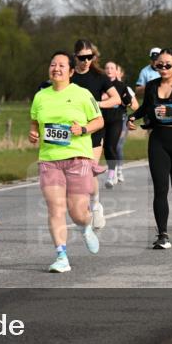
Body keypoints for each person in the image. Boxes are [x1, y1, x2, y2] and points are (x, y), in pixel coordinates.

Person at [29, 51, 104, 273]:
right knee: (56, 208)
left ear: (71, 71)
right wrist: (33, 133)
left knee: (77, 212)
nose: (56, 68)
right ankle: (61, 256)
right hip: (49, 160)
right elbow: (34, 122)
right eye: (53, 64)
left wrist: (82, 129)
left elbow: (98, 121)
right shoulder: (40, 96)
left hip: (77, 158)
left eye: (62, 65)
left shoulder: (82, 94)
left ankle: (86, 226)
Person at [128, 48, 172, 249]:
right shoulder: (151, 86)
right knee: (160, 189)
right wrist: (133, 117)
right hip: (158, 139)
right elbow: (145, 108)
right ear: (155, 66)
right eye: (160, 65)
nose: (164, 68)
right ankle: (163, 234)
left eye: (168, 64)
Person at [70, 40, 121, 229]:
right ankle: (82, 210)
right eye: (82, 57)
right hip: (72, 131)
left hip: (94, 129)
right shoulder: (70, 75)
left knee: (90, 170)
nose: (86, 61)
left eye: (90, 57)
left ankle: (96, 205)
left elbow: (116, 99)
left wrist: (96, 105)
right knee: (76, 172)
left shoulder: (99, 76)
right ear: (75, 57)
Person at [102, 61, 134, 188]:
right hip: (101, 120)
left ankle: (112, 174)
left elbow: (129, 102)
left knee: (112, 146)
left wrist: (120, 99)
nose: (109, 70)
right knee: (104, 147)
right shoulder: (101, 84)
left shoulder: (121, 86)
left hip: (116, 120)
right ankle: (112, 169)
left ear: (116, 71)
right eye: (107, 68)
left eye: (112, 68)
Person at [110, 65, 139, 185]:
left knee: (118, 145)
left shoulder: (126, 88)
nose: (111, 72)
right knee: (110, 146)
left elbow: (136, 106)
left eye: (114, 70)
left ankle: (119, 169)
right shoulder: (105, 87)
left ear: (120, 73)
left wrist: (126, 102)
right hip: (108, 120)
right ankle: (113, 170)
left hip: (121, 119)